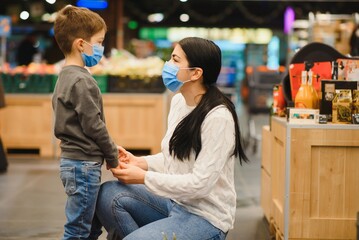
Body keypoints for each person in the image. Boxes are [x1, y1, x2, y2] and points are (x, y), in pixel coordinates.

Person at [95, 37, 249, 240]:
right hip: (174, 204)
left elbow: (200, 184)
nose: (168, 65)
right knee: (108, 195)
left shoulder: (218, 117)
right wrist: (139, 162)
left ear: (196, 73)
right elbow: (176, 157)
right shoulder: (179, 101)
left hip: (205, 218)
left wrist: (143, 177)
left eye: (175, 60)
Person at [52, 5, 119, 240]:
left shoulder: (65, 74)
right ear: (81, 44)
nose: (101, 48)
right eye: (99, 42)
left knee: (88, 225)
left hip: (73, 162)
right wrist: (113, 156)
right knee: (79, 229)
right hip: (83, 165)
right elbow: (94, 125)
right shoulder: (82, 80)